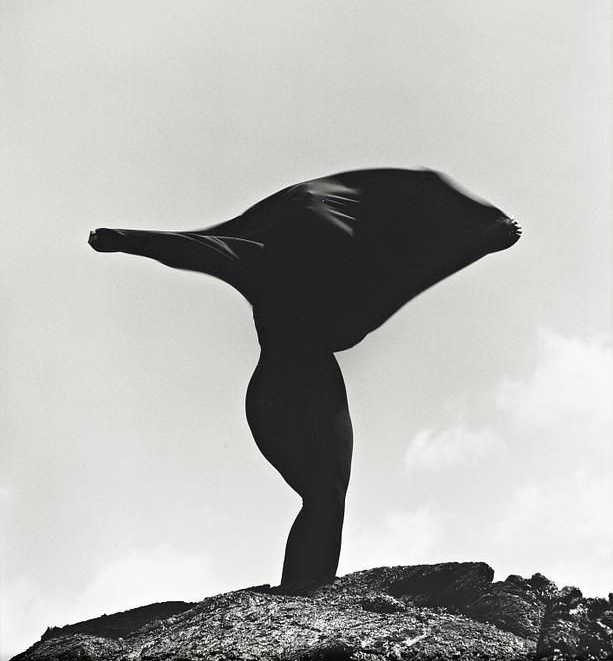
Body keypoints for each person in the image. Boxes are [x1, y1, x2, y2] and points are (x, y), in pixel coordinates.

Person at [88, 167, 521, 591]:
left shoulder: (345, 284)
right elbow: (194, 249)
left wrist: (481, 241)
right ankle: (300, 600)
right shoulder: (268, 264)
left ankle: (305, 595)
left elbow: (422, 265)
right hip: (282, 394)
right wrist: (125, 240)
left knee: (327, 502)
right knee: (324, 501)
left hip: (309, 389)